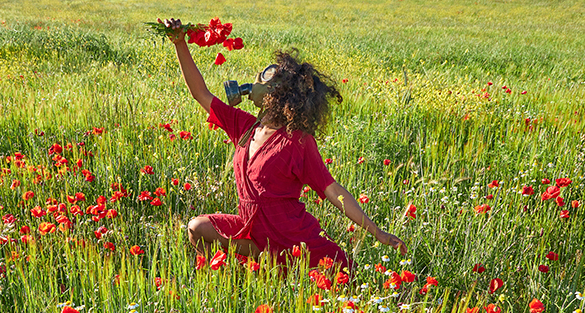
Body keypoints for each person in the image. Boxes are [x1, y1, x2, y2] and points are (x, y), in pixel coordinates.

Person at [162, 18, 407, 273]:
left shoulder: (297, 140)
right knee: (197, 228)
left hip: (291, 237)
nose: (256, 81)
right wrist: (180, 43)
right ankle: (228, 285)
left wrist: (376, 231)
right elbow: (200, 93)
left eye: (264, 77)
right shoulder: (245, 127)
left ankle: (269, 269)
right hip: (253, 231)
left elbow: (332, 189)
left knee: (344, 279)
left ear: (278, 92)